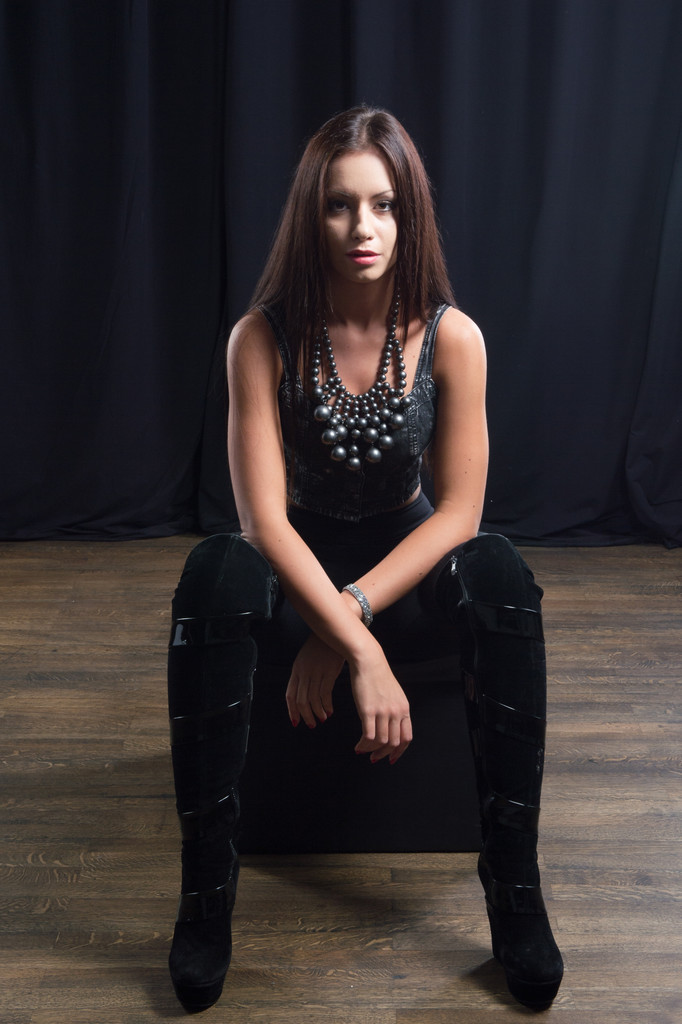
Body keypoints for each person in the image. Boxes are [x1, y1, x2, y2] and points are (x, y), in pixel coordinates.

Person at [166, 106, 564, 1013]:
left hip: (404, 569)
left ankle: (515, 886)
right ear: (311, 215)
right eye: (340, 205)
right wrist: (354, 645)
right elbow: (264, 522)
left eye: (383, 205)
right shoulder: (261, 337)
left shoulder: (453, 337)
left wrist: (349, 620)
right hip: (296, 563)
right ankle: (204, 897)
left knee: (500, 569)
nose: (363, 227)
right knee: (216, 571)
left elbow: (459, 513)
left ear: (408, 214)